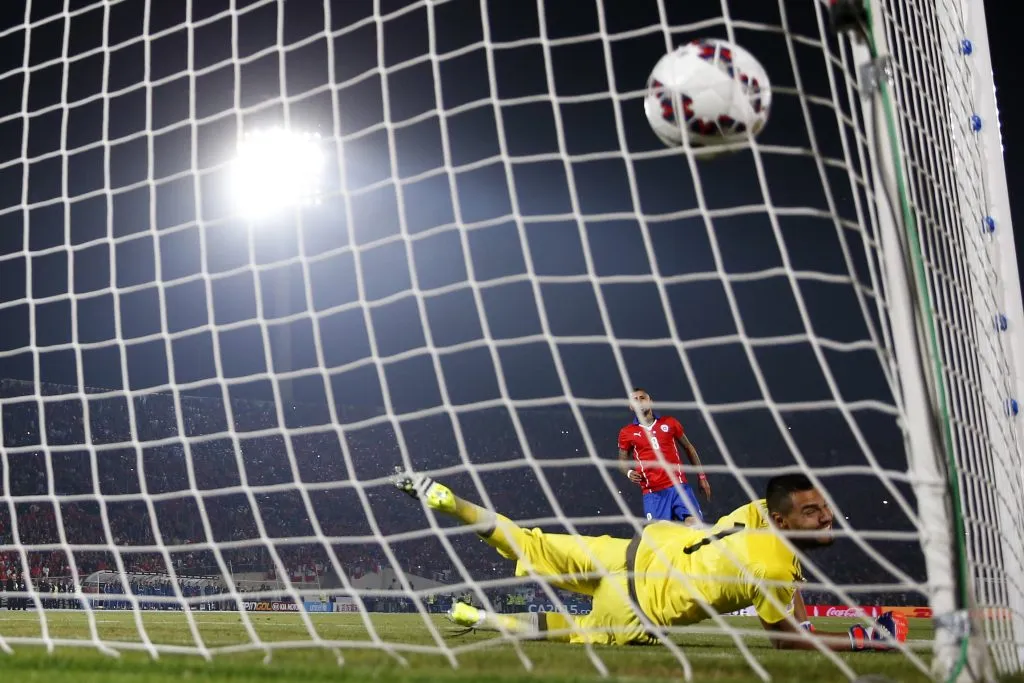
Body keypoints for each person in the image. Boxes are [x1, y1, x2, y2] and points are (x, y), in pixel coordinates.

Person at [393, 469, 907, 651]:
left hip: (633, 549)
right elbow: (791, 639)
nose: (826, 517)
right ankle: (480, 616)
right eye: (813, 511)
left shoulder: (756, 516)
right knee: (567, 631)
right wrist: (866, 639)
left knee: (528, 540)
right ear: (781, 521)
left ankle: (449, 500)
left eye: (826, 510)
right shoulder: (774, 569)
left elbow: (766, 518)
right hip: (635, 604)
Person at [617, 388, 710, 526]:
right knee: (660, 537)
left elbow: (688, 447)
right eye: (635, 400)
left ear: (650, 401)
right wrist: (629, 472)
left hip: (679, 486)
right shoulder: (627, 432)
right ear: (631, 406)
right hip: (653, 493)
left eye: (642, 398)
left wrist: (701, 477)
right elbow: (622, 462)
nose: (639, 402)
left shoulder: (670, 422)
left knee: (695, 525)